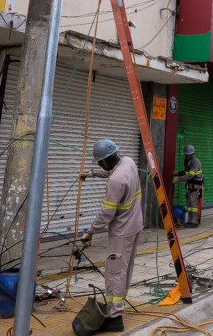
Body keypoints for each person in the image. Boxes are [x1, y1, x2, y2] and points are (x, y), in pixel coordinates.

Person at [78, 139, 142, 332]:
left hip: (121, 232)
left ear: (106, 160)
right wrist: (92, 174)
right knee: (124, 270)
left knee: (114, 273)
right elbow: (111, 172)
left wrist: (89, 232)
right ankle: (117, 307)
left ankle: (115, 317)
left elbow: (106, 213)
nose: (99, 165)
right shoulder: (128, 162)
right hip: (135, 225)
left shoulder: (116, 181)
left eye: (99, 163)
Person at [173, 145, 203, 228]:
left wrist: (178, 179)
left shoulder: (195, 162)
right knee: (189, 204)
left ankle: (194, 222)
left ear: (192, 154)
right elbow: (186, 171)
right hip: (190, 185)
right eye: (186, 154)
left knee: (193, 204)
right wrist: (178, 173)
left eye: (189, 154)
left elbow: (190, 175)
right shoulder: (186, 160)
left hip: (195, 185)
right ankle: (190, 220)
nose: (187, 156)